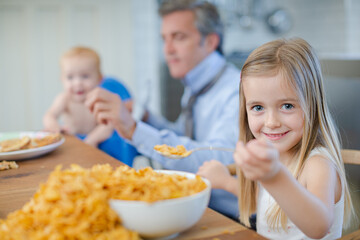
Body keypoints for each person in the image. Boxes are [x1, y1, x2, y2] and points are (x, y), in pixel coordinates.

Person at [85, 0, 240, 219]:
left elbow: (214, 161)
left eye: (179, 37)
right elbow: (186, 138)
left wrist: (133, 129)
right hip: (199, 209)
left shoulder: (237, 91)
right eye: (164, 39)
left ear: (211, 41)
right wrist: (147, 118)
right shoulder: (196, 85)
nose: (167, 50)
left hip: (229, 218)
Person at [197, 38, 354, 239]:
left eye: (287, 106)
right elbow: (268, 203)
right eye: (258, 108)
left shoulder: (318, 163)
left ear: (312, 105)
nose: (271, 122)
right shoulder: (276, 154)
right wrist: (226, 182)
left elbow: (318, 226)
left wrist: (274, 176)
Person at [43, 46, 137, 166]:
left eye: (85, 76)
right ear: (62, 79)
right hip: (73, 143)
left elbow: (107, 126)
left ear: (99, 79)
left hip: (98, 143)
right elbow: (49, 115)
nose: (77, 83)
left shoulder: (98, 99)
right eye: (70, 77)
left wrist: (92, 140)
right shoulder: (64, 98)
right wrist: (54, 126)